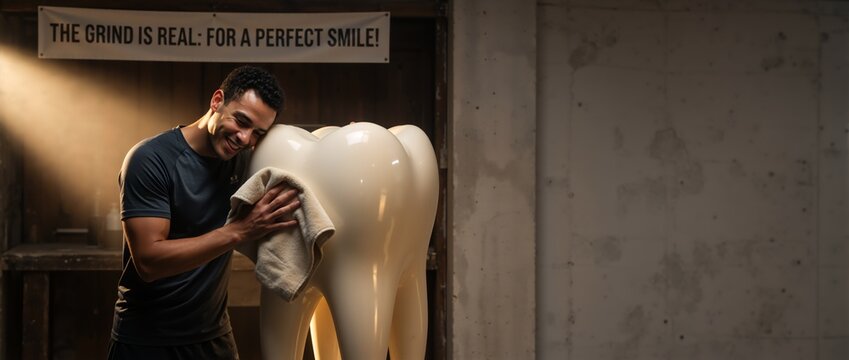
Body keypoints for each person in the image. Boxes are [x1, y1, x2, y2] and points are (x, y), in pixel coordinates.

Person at [107, 65, 300, 359]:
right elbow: (148, 261)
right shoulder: (150, 159)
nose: (245, 138)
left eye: (257, 133)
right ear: (217, 101)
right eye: (241, 121)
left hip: (214, 338)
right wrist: (238, 232)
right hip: (147, 340)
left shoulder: (244, 161)